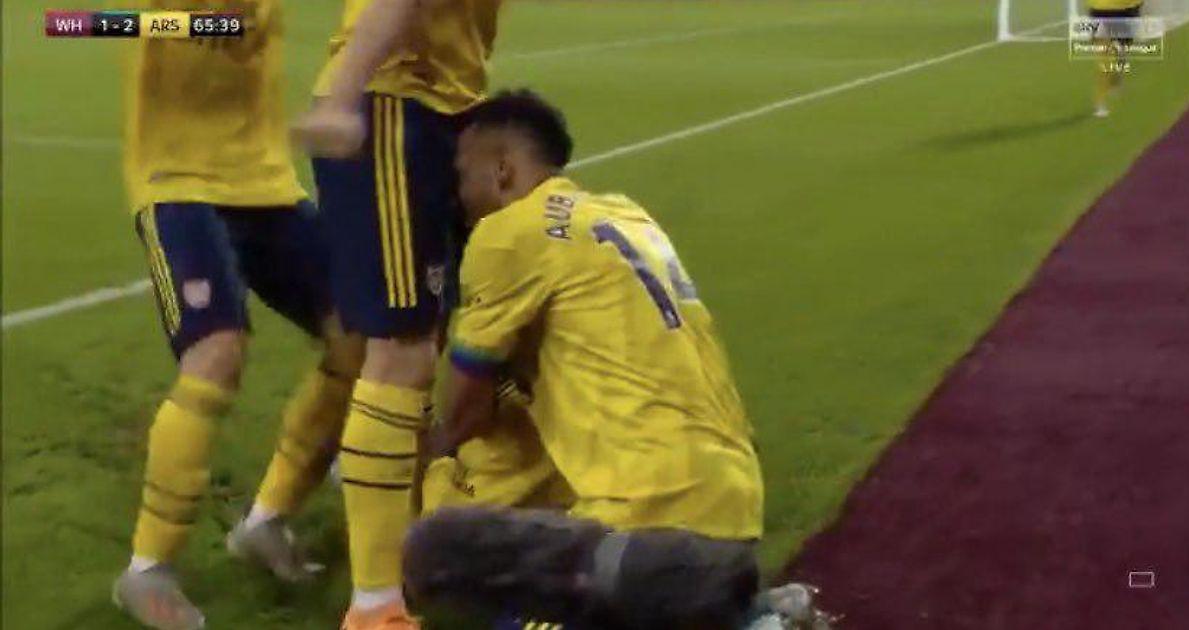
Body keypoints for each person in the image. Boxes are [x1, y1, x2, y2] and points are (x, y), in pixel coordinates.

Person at [404, 89, 800, 630]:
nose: (458, 195)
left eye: (463, 175)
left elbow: (465, 416)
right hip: (733, 501)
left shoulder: (507, 234)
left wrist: (422, 457)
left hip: (648, 519)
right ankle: (735, 610)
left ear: (502, 170)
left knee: (438, 547)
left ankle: (751, 621)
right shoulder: (625, 213)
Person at [111, 2, 364, 629]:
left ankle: (266, 521)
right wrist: (186, 25)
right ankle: (147, 568)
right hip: (177, 184)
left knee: (358, 335)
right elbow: (92, 22)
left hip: (266, 185)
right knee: (217, 352)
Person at [291, 0, 504, 627]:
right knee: (401, 348)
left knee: (422, 340)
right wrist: (343, 95)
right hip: (397, 96)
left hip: (443, 103)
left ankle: (407, 550)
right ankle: (375, 606)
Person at [1088, 0, 1143, 117]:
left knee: (1122, 51)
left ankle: (1118, 75)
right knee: (1104, 58)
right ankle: (1100, 102)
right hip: (1100, 9)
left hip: (1127, 8)